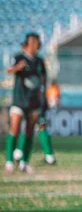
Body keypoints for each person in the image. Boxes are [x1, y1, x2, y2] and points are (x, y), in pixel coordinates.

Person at [4, 33, 46, 175]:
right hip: (19, 100)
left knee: (29, 132)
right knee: (14, 129)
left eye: (37, 42)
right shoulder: (19, 58)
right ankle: (9, 162)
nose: (36, 44)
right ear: (27, 43)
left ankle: (24, 163)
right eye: (33, 41)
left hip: (33, 102)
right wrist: (17, 68)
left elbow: (43, 81)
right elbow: (9, 71)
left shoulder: (40, 61)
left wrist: (42, 100)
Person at [14, 78, 59, 165]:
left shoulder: (37, 81)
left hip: (36, 107)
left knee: (35, 128)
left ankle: (19, 153)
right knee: (36, 128)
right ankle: (49, 156)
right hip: (35, 106)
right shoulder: (38, 79)